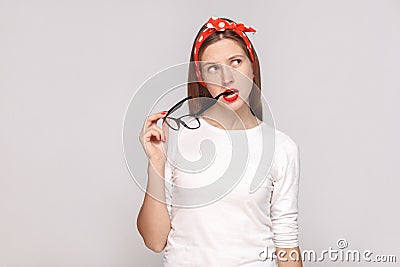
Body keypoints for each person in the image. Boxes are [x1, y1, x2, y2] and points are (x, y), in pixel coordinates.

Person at [137, 16, 303, 267]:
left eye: (235, 62)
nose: (227, 78)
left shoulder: (281, 148)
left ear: (252, 67)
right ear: (202, 77)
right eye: (213, 68)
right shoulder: (176, 137)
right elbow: (154, 241)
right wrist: (156, 165)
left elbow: (286, 242)